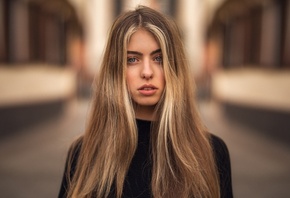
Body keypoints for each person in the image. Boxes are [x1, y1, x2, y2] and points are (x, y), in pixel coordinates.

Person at [58, 5, 233, 198]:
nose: (147, 72)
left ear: (174, 67)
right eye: (132, 60)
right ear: (116, 70)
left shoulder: (211, 152)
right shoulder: (83, 154)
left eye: (159, 58)